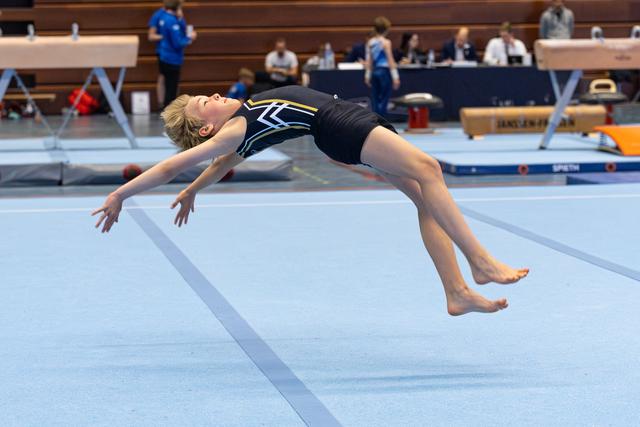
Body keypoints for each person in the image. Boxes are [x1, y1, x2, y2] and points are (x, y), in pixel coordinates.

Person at [92, 85, 529, 316]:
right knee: (430, 169)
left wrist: (194, 190)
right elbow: (174, 166)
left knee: (423, 197)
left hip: (347, 120)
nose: (215, 97)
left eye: (209, 94)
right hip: (336, 124)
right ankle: (481, 262)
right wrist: (120, 194)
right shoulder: (234, 130)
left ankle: (457, 292)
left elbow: (222, 166)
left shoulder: (245, 127)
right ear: (205, 129)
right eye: (206, 104)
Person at [157, 0, 197, 107]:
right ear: (177, 7)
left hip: (165, 56)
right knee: (171, 88)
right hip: (171, 59)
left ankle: (166, 108)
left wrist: (180, 18)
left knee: (169, 85)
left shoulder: (166, 17)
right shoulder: (171, 21)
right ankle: (168, 111)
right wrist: (189, 37)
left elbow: (181, 28)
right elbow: (178, 43)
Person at [365, 16, 400, 117]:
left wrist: (367, 76)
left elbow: (369, 61)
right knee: (384, 99)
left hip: (375, 72)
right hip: (384, 72)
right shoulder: (386, 43)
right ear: (387, 29)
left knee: (375, 98)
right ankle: (383, 121)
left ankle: (376, 121)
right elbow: (390, 60)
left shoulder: (370, 42)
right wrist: (395, 77)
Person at [148, 3, 169, 107]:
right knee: (163, 76)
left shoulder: (178, 15)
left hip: (175, 53)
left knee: (174, 79)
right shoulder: (158, 15)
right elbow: (151, 36)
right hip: (163, 52)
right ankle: (161, 104)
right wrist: (165, 36)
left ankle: (174, 104)